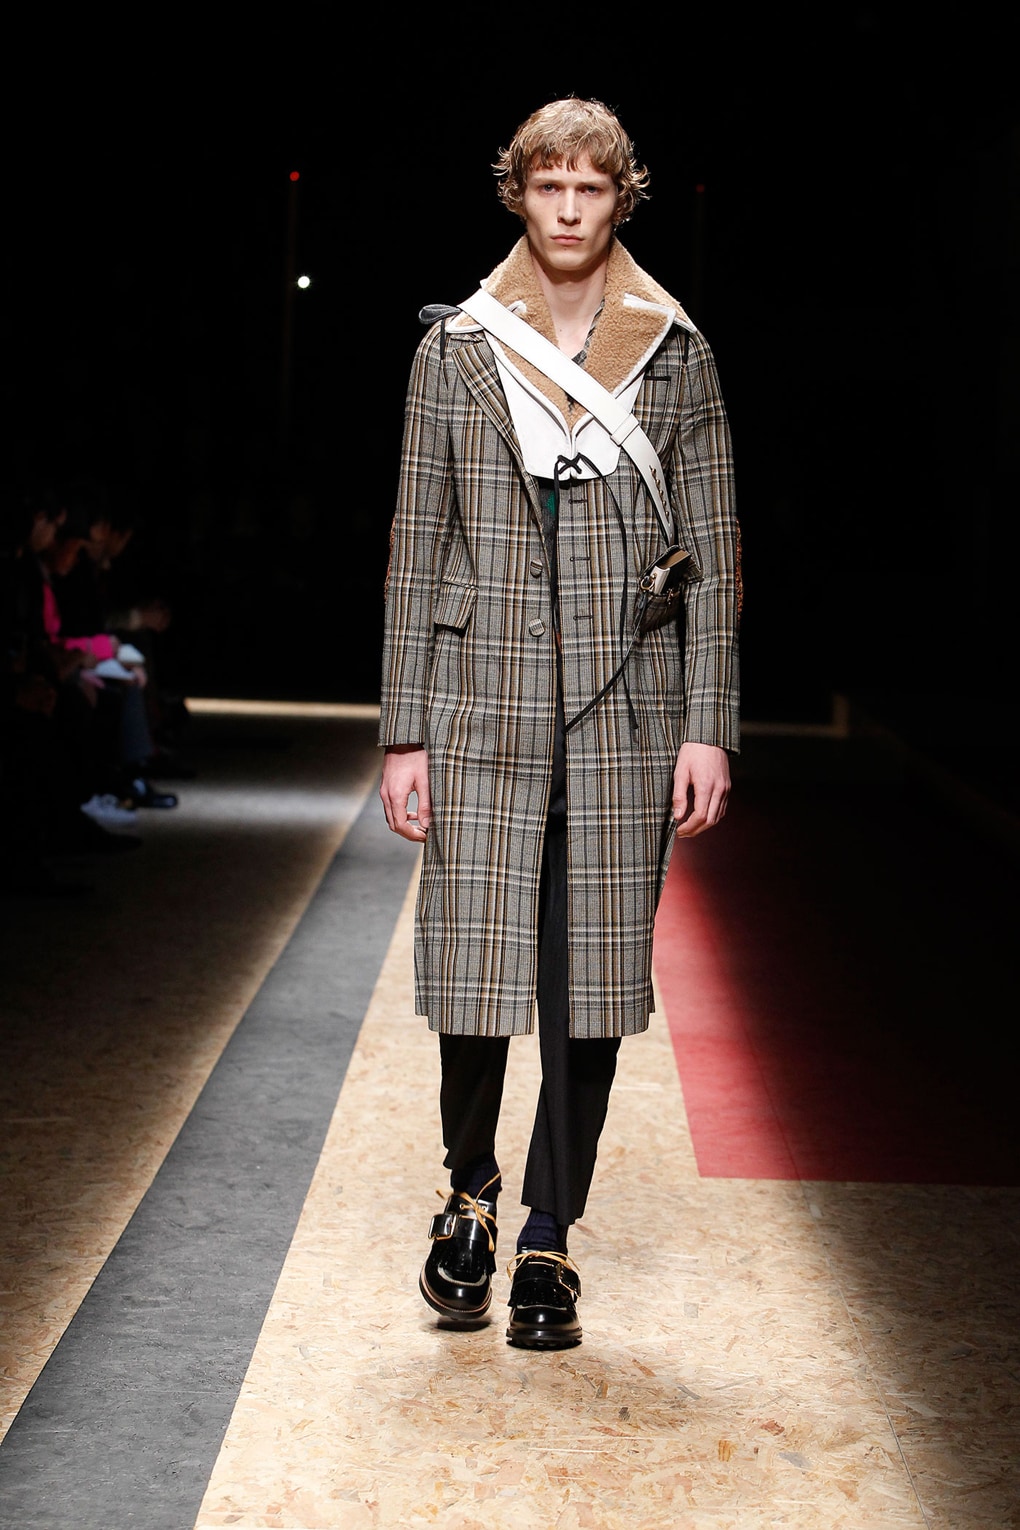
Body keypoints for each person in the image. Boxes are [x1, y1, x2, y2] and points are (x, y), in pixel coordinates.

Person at [379, 97, 740, 1350]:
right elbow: (416, 545)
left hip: (627, 703)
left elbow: (715, 551)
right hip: (479, 696)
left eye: (592, 189)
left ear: (620, 198)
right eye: (550, 187)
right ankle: (470, 1192)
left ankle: (547, 1237)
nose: (571, 210)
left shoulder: (677, 354)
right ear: (519, 194)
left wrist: (709, 724)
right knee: (474, 971)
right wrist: (404, 729)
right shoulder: (457, 349)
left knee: (592, 982)